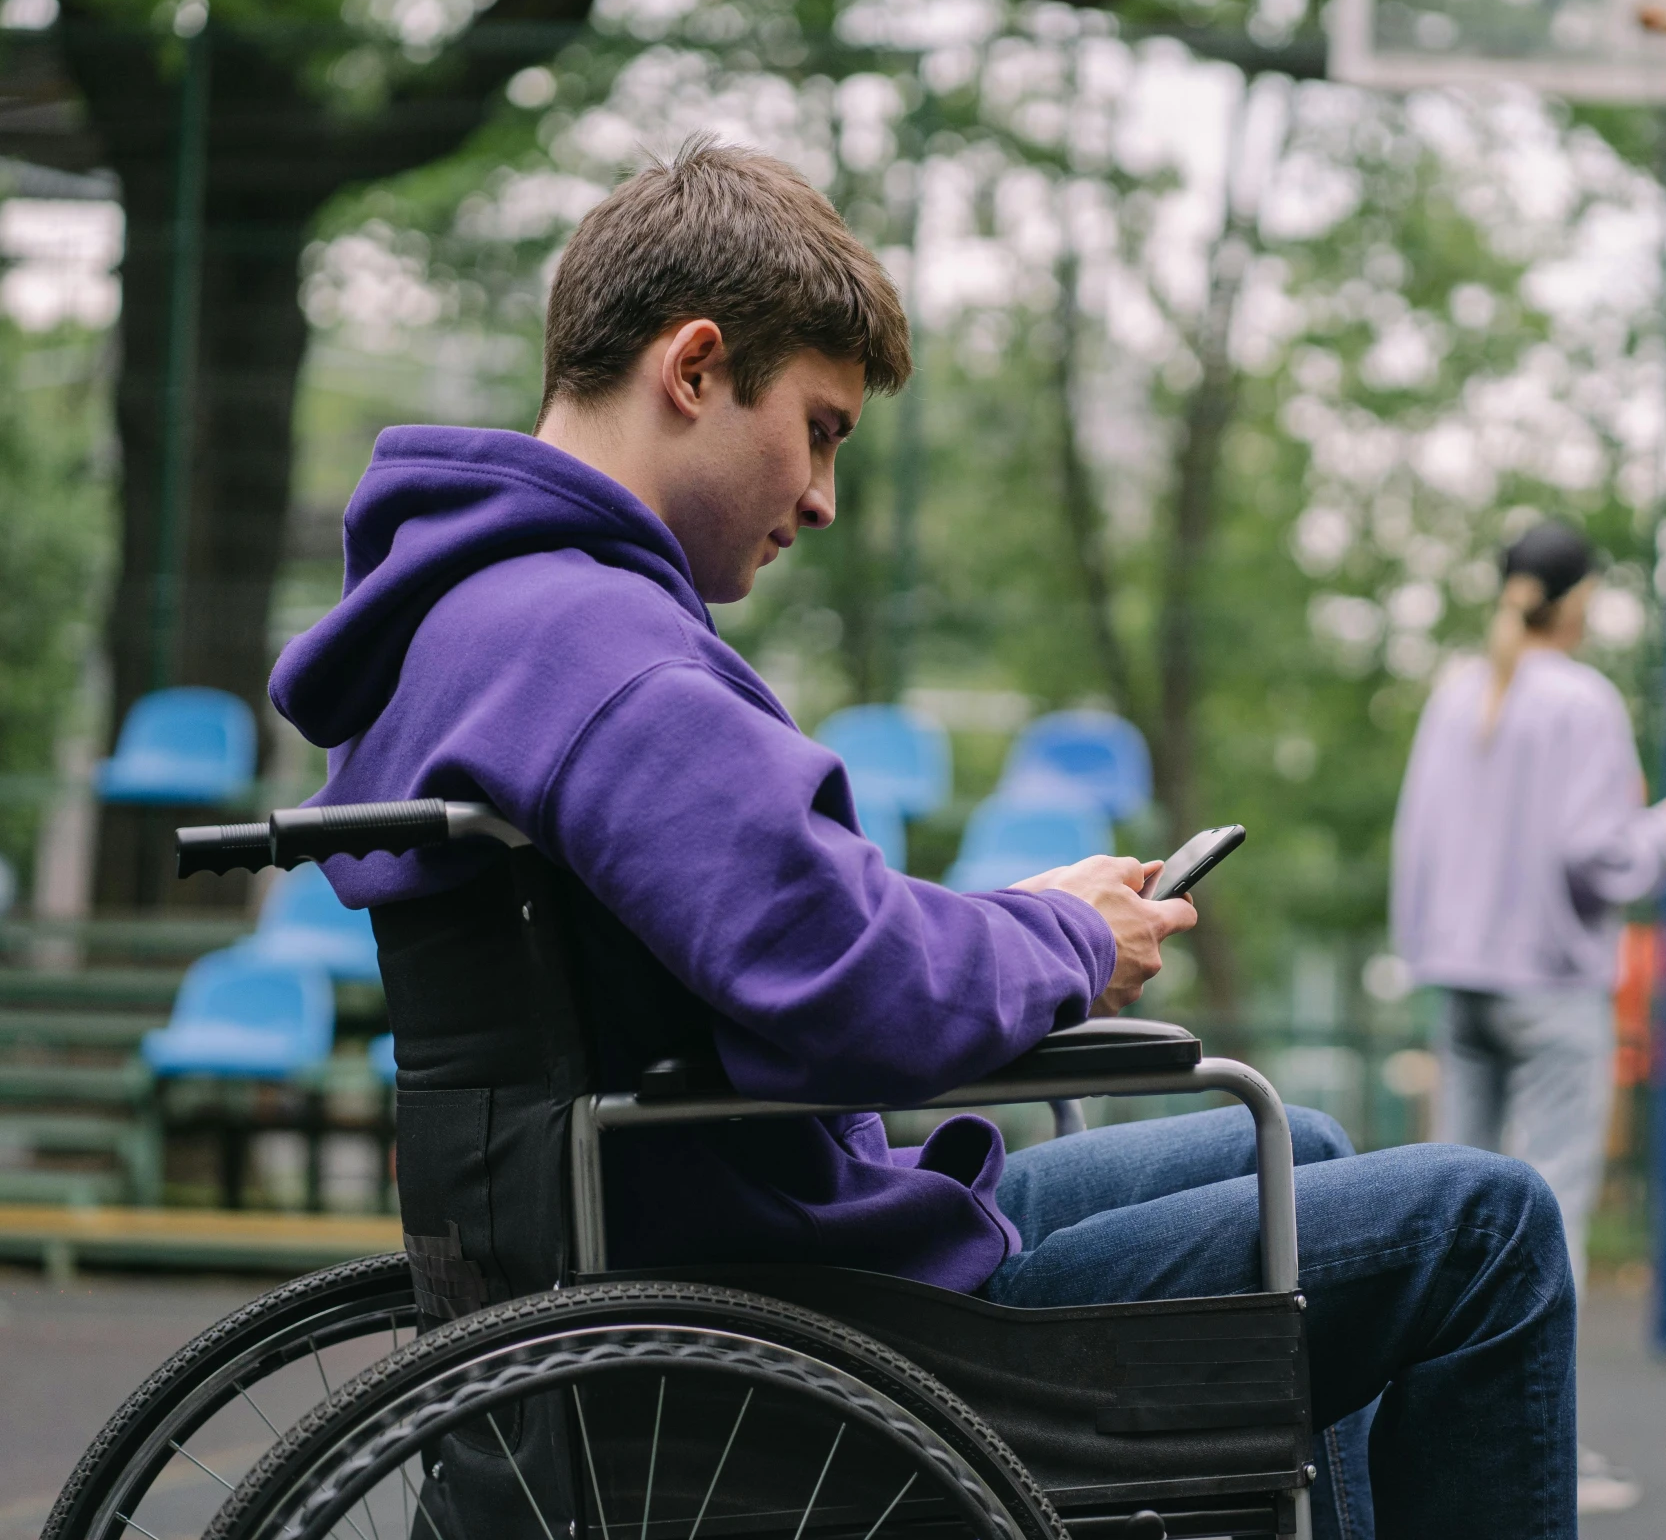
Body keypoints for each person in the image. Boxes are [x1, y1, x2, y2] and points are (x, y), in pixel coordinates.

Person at [268, 139, 1574, 1539]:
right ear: (695, 368)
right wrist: (1069, 938)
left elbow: (772, 927)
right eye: (819, 427)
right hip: (811, 1325)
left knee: (1301, 1148)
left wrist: (1017, 916)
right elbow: (840, 979)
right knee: (1486, 1226)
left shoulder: (493, 615)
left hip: (724, 1250)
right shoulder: (604, 648)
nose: (823, 496)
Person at [1389, 519, 1666, 1516]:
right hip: (1552, 984)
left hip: (1461, 977)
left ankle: (1432, 1445)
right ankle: (1535, 1450)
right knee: (1549, 1216)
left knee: (1447, 1222)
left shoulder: (1456, 689)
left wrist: (1430, 947)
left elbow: (1416, 841)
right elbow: (1595, 854)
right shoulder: (1581, 699)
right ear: (1574, 598)